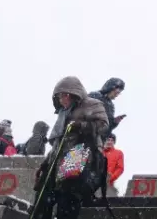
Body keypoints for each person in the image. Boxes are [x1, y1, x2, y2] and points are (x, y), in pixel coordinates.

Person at [33, 76, 109, 219]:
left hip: (78, 157)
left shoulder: (92, 104)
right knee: (42, 202)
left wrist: (81, 126)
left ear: (71, 94)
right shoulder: (63, 113)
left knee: (67, 202)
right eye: (59, 97)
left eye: (62, 96)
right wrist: (45, 164)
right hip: (56, 162)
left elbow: (103, 126)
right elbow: (57, 142)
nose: (61, 100)